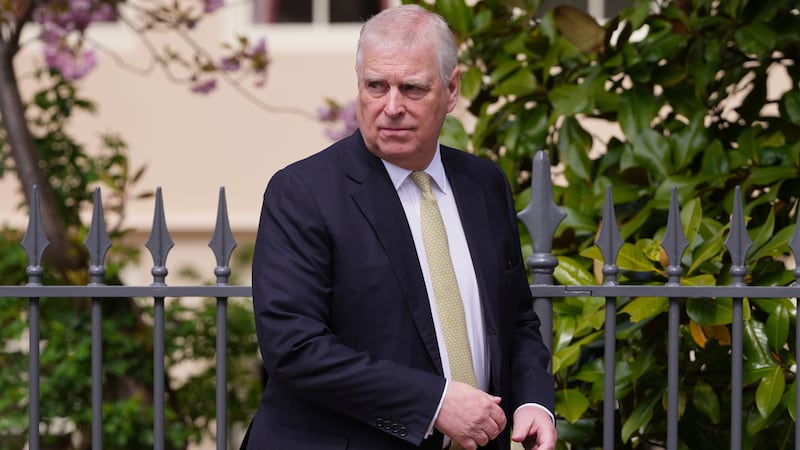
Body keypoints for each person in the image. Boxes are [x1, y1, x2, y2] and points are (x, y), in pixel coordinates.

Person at [244, 4, 556, 449]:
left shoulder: (485, 185)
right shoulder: (302, 192)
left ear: (451, 90)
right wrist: (436, 403)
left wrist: (533, 403)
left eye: (411, 89)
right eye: (376, 86)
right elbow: (294, 348)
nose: (391, 107)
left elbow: (517, 320)